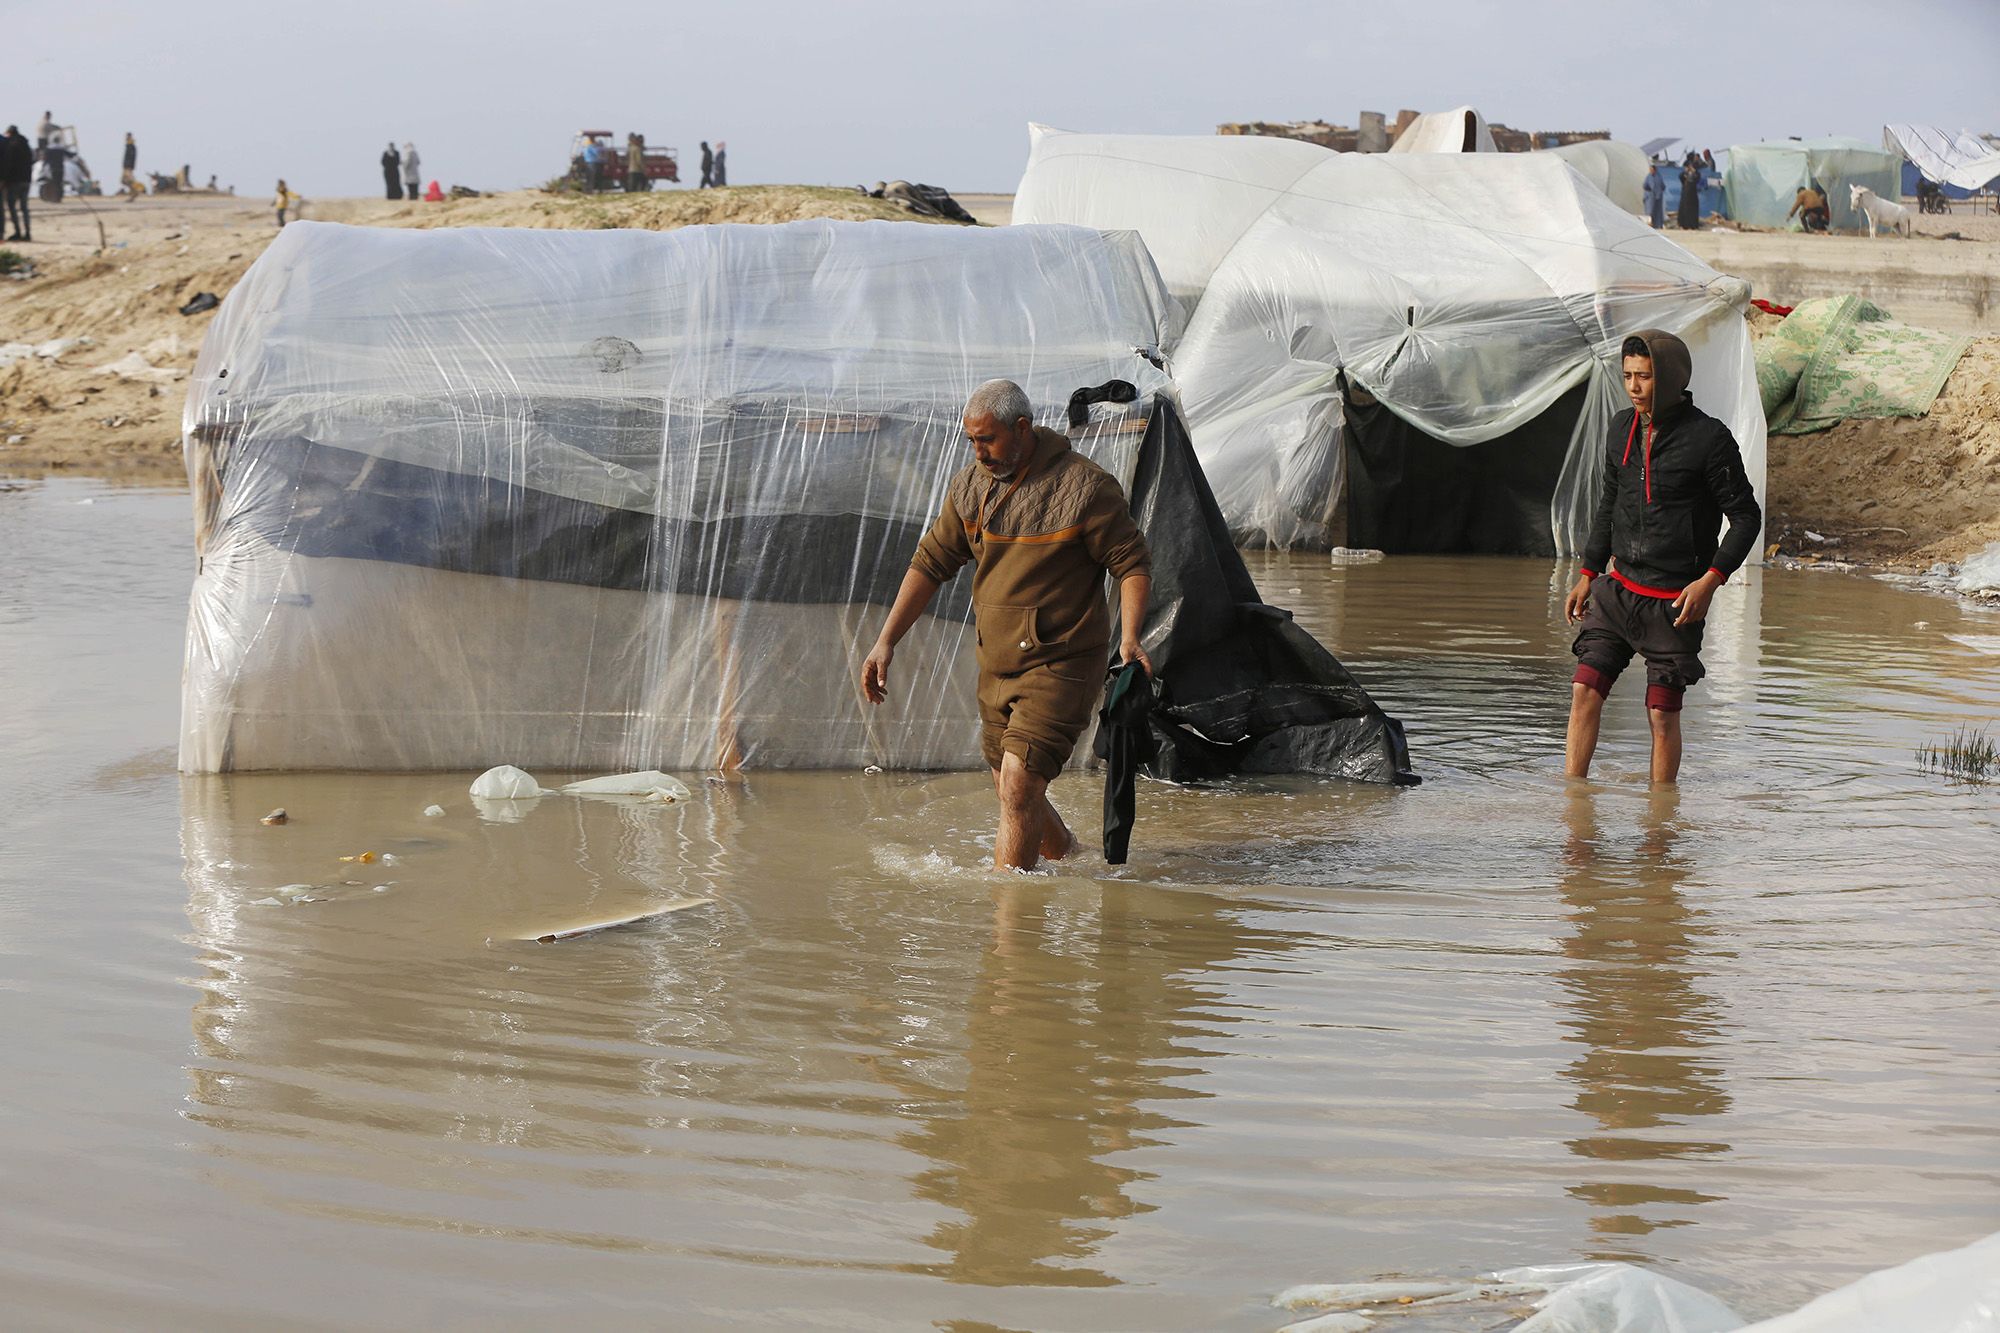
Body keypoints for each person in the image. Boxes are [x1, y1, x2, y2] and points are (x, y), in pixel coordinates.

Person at [861, 380, 1152, 871]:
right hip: (996, 663)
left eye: (987, 439)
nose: (979, 452)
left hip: (1062, 661)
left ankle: (1010, 921)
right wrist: (885, 641)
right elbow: (930, 563)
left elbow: (1132, 563)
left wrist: (1130, 638)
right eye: (971, 440)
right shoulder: (971, 486)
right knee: (1010, 787)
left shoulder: (1085, 487)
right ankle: (1076, 861)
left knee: (1018, 783)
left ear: (1022, 428)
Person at [1563, 331, 1761, 785]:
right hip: (1617, 592)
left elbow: (1746, 518)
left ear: (1669, 378)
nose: (1634, 386)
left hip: (1675, 603)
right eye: (1628, 375)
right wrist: (1588, 573)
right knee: (1584, 690)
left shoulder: (1709, 439)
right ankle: (1573, 809)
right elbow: (1609, 503)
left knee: (1661, 715)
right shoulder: (1619, 429)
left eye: (1645, 376)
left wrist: (1710, 581)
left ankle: (1659, 829)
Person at [1677, 153, 1702, 230]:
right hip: (1685, 193)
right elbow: (1681, 177)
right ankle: (1684, 224)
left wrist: (1694, 171)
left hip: (1692, 194)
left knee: (1692, 210)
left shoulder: (1695, 170)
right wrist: (1686, 171)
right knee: (1684, 209)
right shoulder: (1686, 171)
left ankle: (1692, 225)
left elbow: (1697, 177)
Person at [1643, 163, 1666, 229]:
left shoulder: (1659, 177)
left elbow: (1663, 186)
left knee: (1658, 212)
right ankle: (1650, 224)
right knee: (1650, 211)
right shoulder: (1649, 177)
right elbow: (1645, 185)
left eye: (1652, 170)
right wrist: (1650, 190)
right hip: (1650, 197)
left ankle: (1658, 225)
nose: (1651, 171)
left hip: (1658, 198)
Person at [120, 132, 138, 199]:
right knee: (124, 181)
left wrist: (130, 167)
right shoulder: (128, 145)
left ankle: (134, 192)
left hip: (128, 167)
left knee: (128, 180)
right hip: (126, 166)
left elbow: (132, 157)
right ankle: (134, 192)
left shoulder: (131, 146)